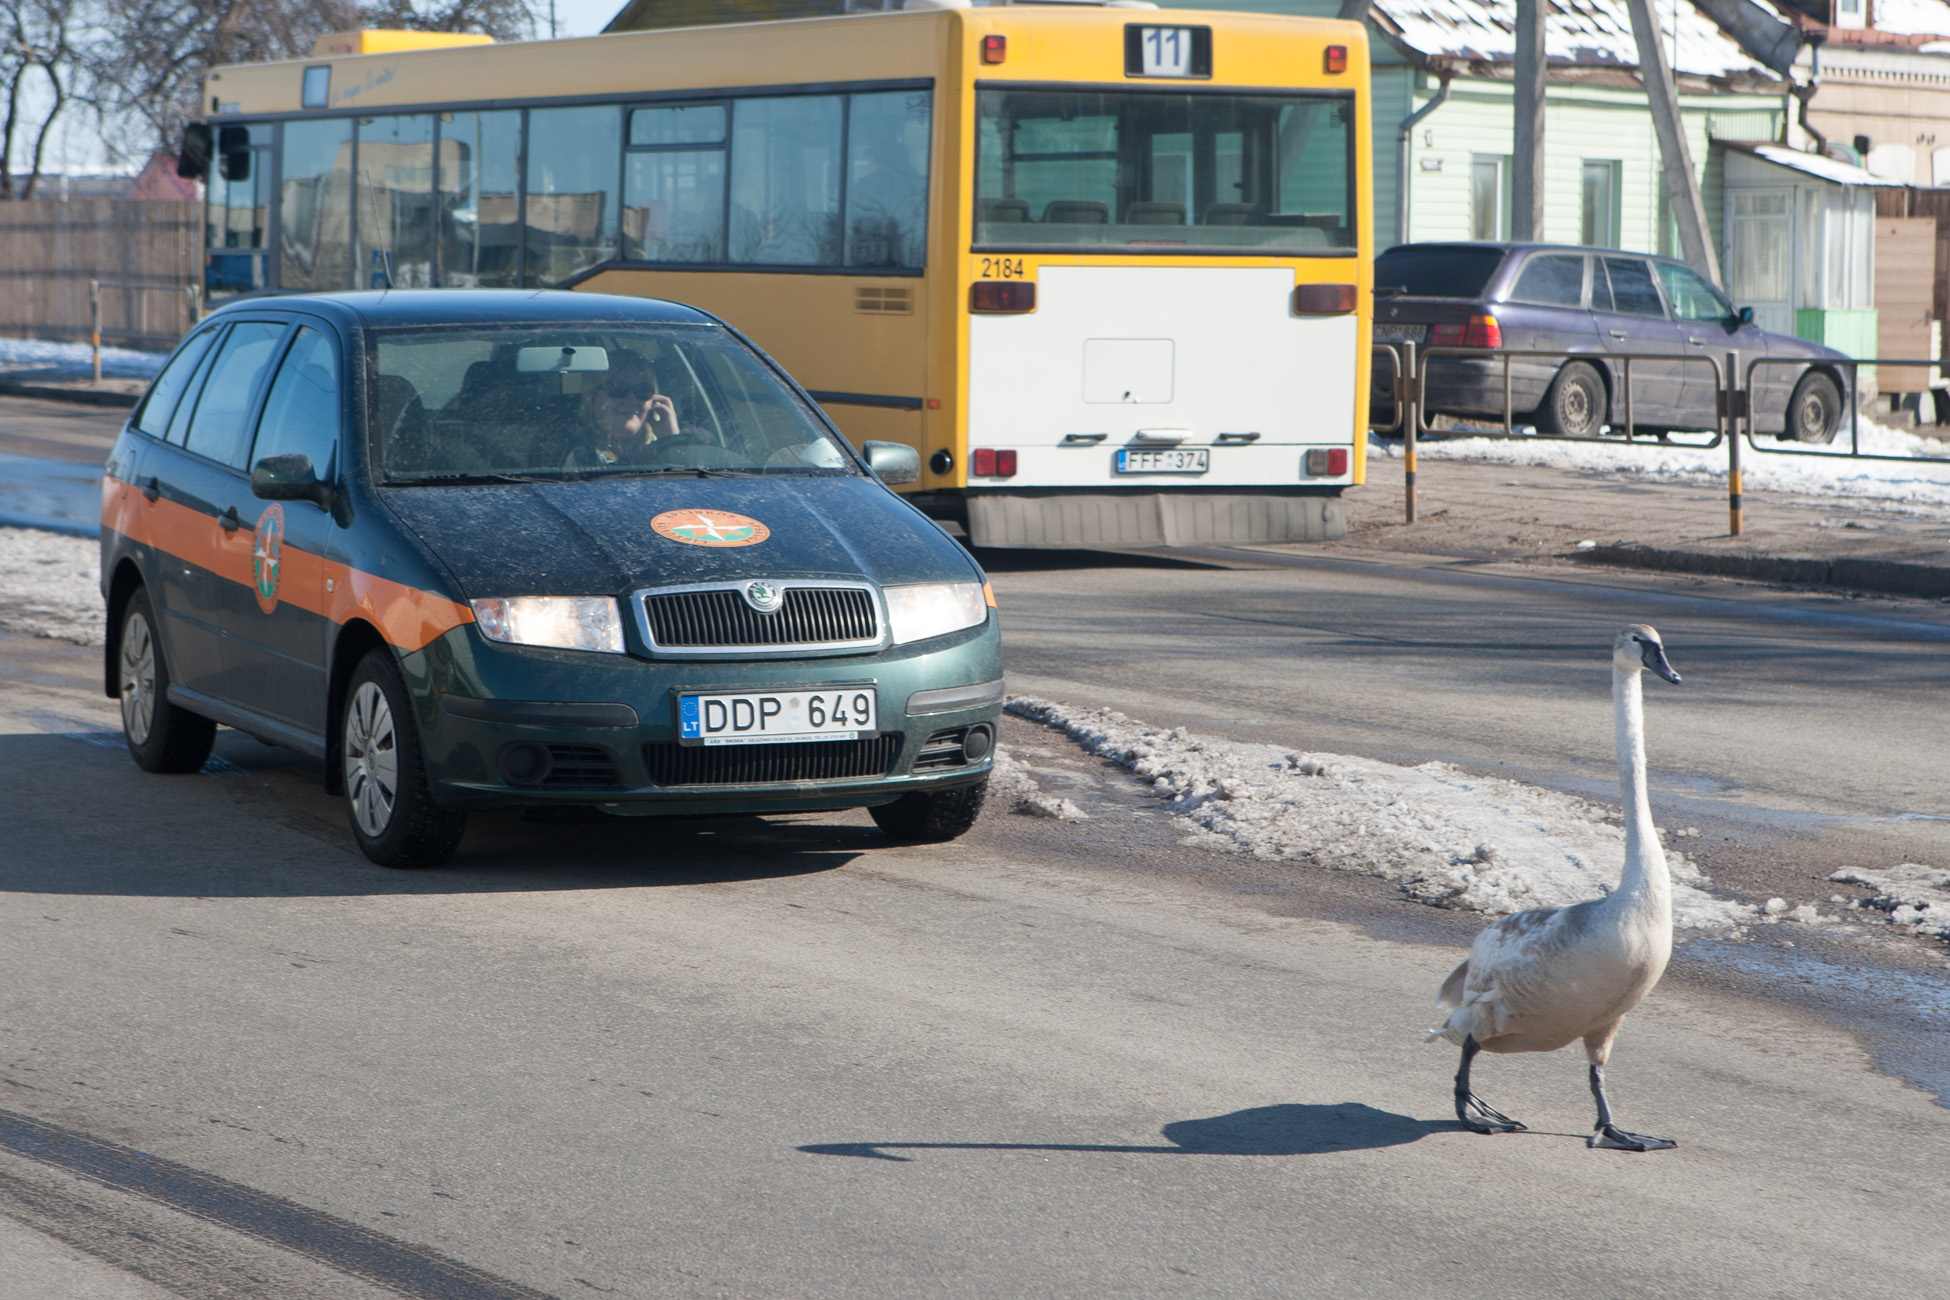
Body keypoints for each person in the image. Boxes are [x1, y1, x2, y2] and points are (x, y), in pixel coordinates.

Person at [565, 350, 680, 471]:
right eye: (618, 389)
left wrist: (672, 442)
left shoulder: (690, 449)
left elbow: (683, 484)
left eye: (643, 391)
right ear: (593, 397)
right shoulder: (578, 454)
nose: (631, 400)